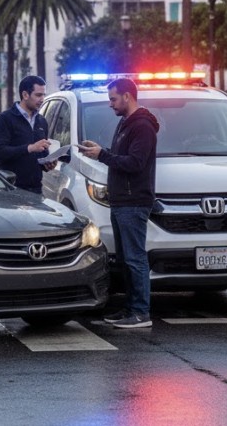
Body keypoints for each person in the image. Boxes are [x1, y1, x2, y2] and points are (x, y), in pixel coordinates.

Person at [78, 78, 159, 329]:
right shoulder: (126, 123)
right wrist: (102, 152)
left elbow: (135, 163)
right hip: (122, 200)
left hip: (134, 201)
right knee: (126, 258)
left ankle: (141, 312)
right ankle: (130, 308)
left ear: (127, 96)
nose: (110, 104)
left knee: (135, 258)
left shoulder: (142, 126)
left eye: (113, 99)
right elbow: (122, 157)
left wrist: (103, 155)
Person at [0, 75, 56, 194]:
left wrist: (47, 164)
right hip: (11, 189)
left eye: (43, 95)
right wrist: (30, 148)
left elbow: (41, 154)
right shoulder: (5, 119)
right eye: (38, 95)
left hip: (36, 190)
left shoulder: (41, 121)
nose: (42, 99)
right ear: (25, 95)